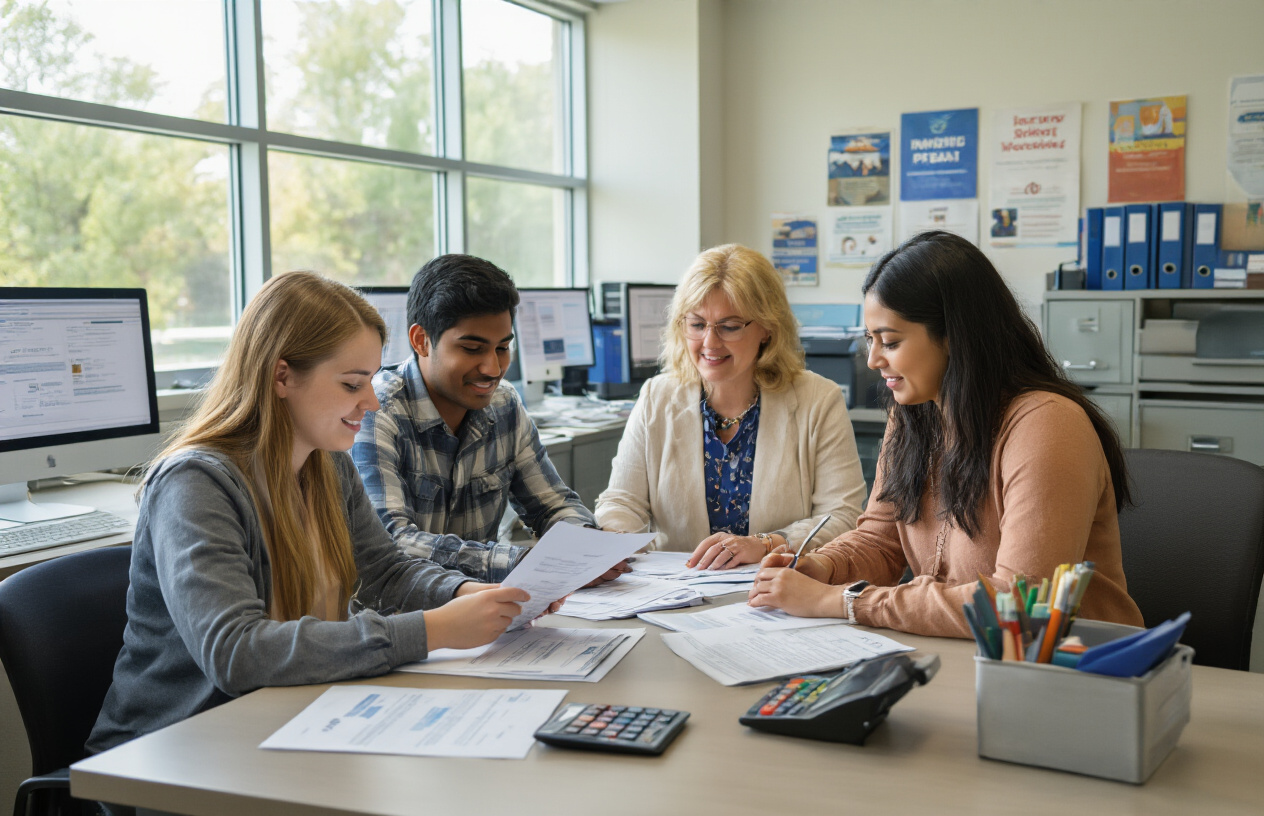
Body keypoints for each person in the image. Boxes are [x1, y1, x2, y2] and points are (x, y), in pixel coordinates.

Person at [88, 272, 536, 754]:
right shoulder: (195, 484)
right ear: (282, 376)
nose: (370, 400)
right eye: (351, 384)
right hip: (176, 750)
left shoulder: (326, 464)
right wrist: (435, 629)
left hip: (289, 720)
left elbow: (385, 572)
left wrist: (471, 594)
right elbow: (237, 651)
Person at [747, 231, 1144, 637]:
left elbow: (1017, 605)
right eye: (870, 340)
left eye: (891, 341)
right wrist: (822, 567)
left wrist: (842, 601)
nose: (872, 359)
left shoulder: (1047, 425)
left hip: (1071, 668)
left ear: (954, 336)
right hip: (963, 654)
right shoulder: (913, 417)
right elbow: (880, 543)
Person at [352, 254, 622, 585]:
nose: (492, 369)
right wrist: (523, 562)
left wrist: (587, 548)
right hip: (402, 622)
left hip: (486, 614)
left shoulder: (504, 403)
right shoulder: (376, 411)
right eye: (472, 349)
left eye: (502, 348)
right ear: (421, 340)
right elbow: (394, 543)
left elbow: (552, 505)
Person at [595, 244, 867, 569]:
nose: (709, 342)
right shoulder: (657, 396)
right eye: (697, 324)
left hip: (777, 593)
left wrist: (768, 544)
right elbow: (622, 501)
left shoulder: (818, 401)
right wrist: (615, 541)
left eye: (729, 326)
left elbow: (842, 516)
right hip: (676, 593)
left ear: (767, 328)